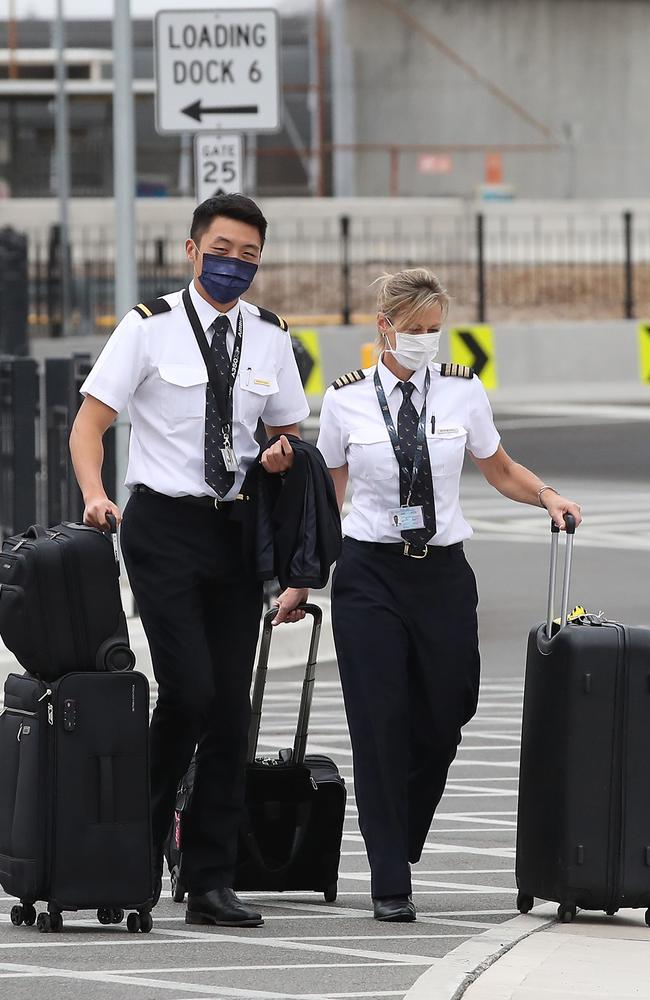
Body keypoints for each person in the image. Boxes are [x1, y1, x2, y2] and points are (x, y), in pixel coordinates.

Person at [314, 267, 583, 922]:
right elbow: (329, 495)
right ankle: (388, 875)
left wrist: (546, 494)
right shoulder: (345, 400)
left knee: (447, 711)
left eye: (435, 331)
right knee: (378, 725)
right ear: (384, 328)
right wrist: (300, 578)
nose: (426, 342)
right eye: (414, 331)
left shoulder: (463, 393)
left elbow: (499, 469)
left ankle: (402, 830)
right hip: (367, 573)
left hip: (441, 573)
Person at [69, 194, 309, 929]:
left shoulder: (269, 337)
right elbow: (90, 423)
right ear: (191, 249)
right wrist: (94, 495)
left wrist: (278, 454)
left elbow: (290, 434)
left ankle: (209, 880)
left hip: (236, 531)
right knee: (190, 692)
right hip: (163, 526)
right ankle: (131, 853)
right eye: (224, 249)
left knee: (230, 710)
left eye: (249, 257)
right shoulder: (148, 330)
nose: (235, 265)